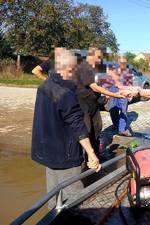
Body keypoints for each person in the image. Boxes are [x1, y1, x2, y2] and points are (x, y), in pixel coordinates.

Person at [31, 48, 101, 208]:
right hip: (65, 153)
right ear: (68, 68)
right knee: (75, 196)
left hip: (47, 150)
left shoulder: (44, 86)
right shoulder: (66, 94)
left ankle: (53, 216)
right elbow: (78, 127)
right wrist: (91, 154)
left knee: (54, 194)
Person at [73, 47, 125, 153]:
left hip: (94, 103)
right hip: (82, 104)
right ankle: (84, 156)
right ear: (90, 56)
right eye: (98, 57)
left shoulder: (96, 66)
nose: (100, 60)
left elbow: (111, 73)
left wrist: (120, 86)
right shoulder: (84, 68)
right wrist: (114, 94)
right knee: (86, 130)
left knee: (97, 128)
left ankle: (95, 153)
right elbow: (95, 87)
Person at [108, 56, 134, 136]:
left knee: (123, 110)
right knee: (113, 110)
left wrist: (130, 94)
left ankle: (121, 129)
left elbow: (130, 84)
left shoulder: (128, 72)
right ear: (118, 62)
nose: (123, 64)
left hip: (123, 92)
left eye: (124, 63)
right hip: (113, 90)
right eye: (121, 62)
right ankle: (116, 125)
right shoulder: (112, 70)